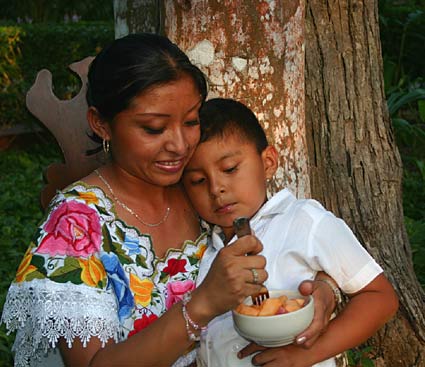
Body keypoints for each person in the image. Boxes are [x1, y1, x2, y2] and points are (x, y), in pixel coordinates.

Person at [1, 34, 336, 367]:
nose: (179, 145)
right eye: (153, 128)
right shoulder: (75, 223)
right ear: (101, 124)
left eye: (191, 121)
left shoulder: (201, 190)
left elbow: (283, 237)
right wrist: (201, 305)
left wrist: (322, 288)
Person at [182, 98, 399, 367]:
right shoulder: (204, 249)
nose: (216, 189)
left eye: (229, 169)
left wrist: (306, 354)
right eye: (198, 181)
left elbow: (380, 298)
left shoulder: (305, 221)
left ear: (269, 162)